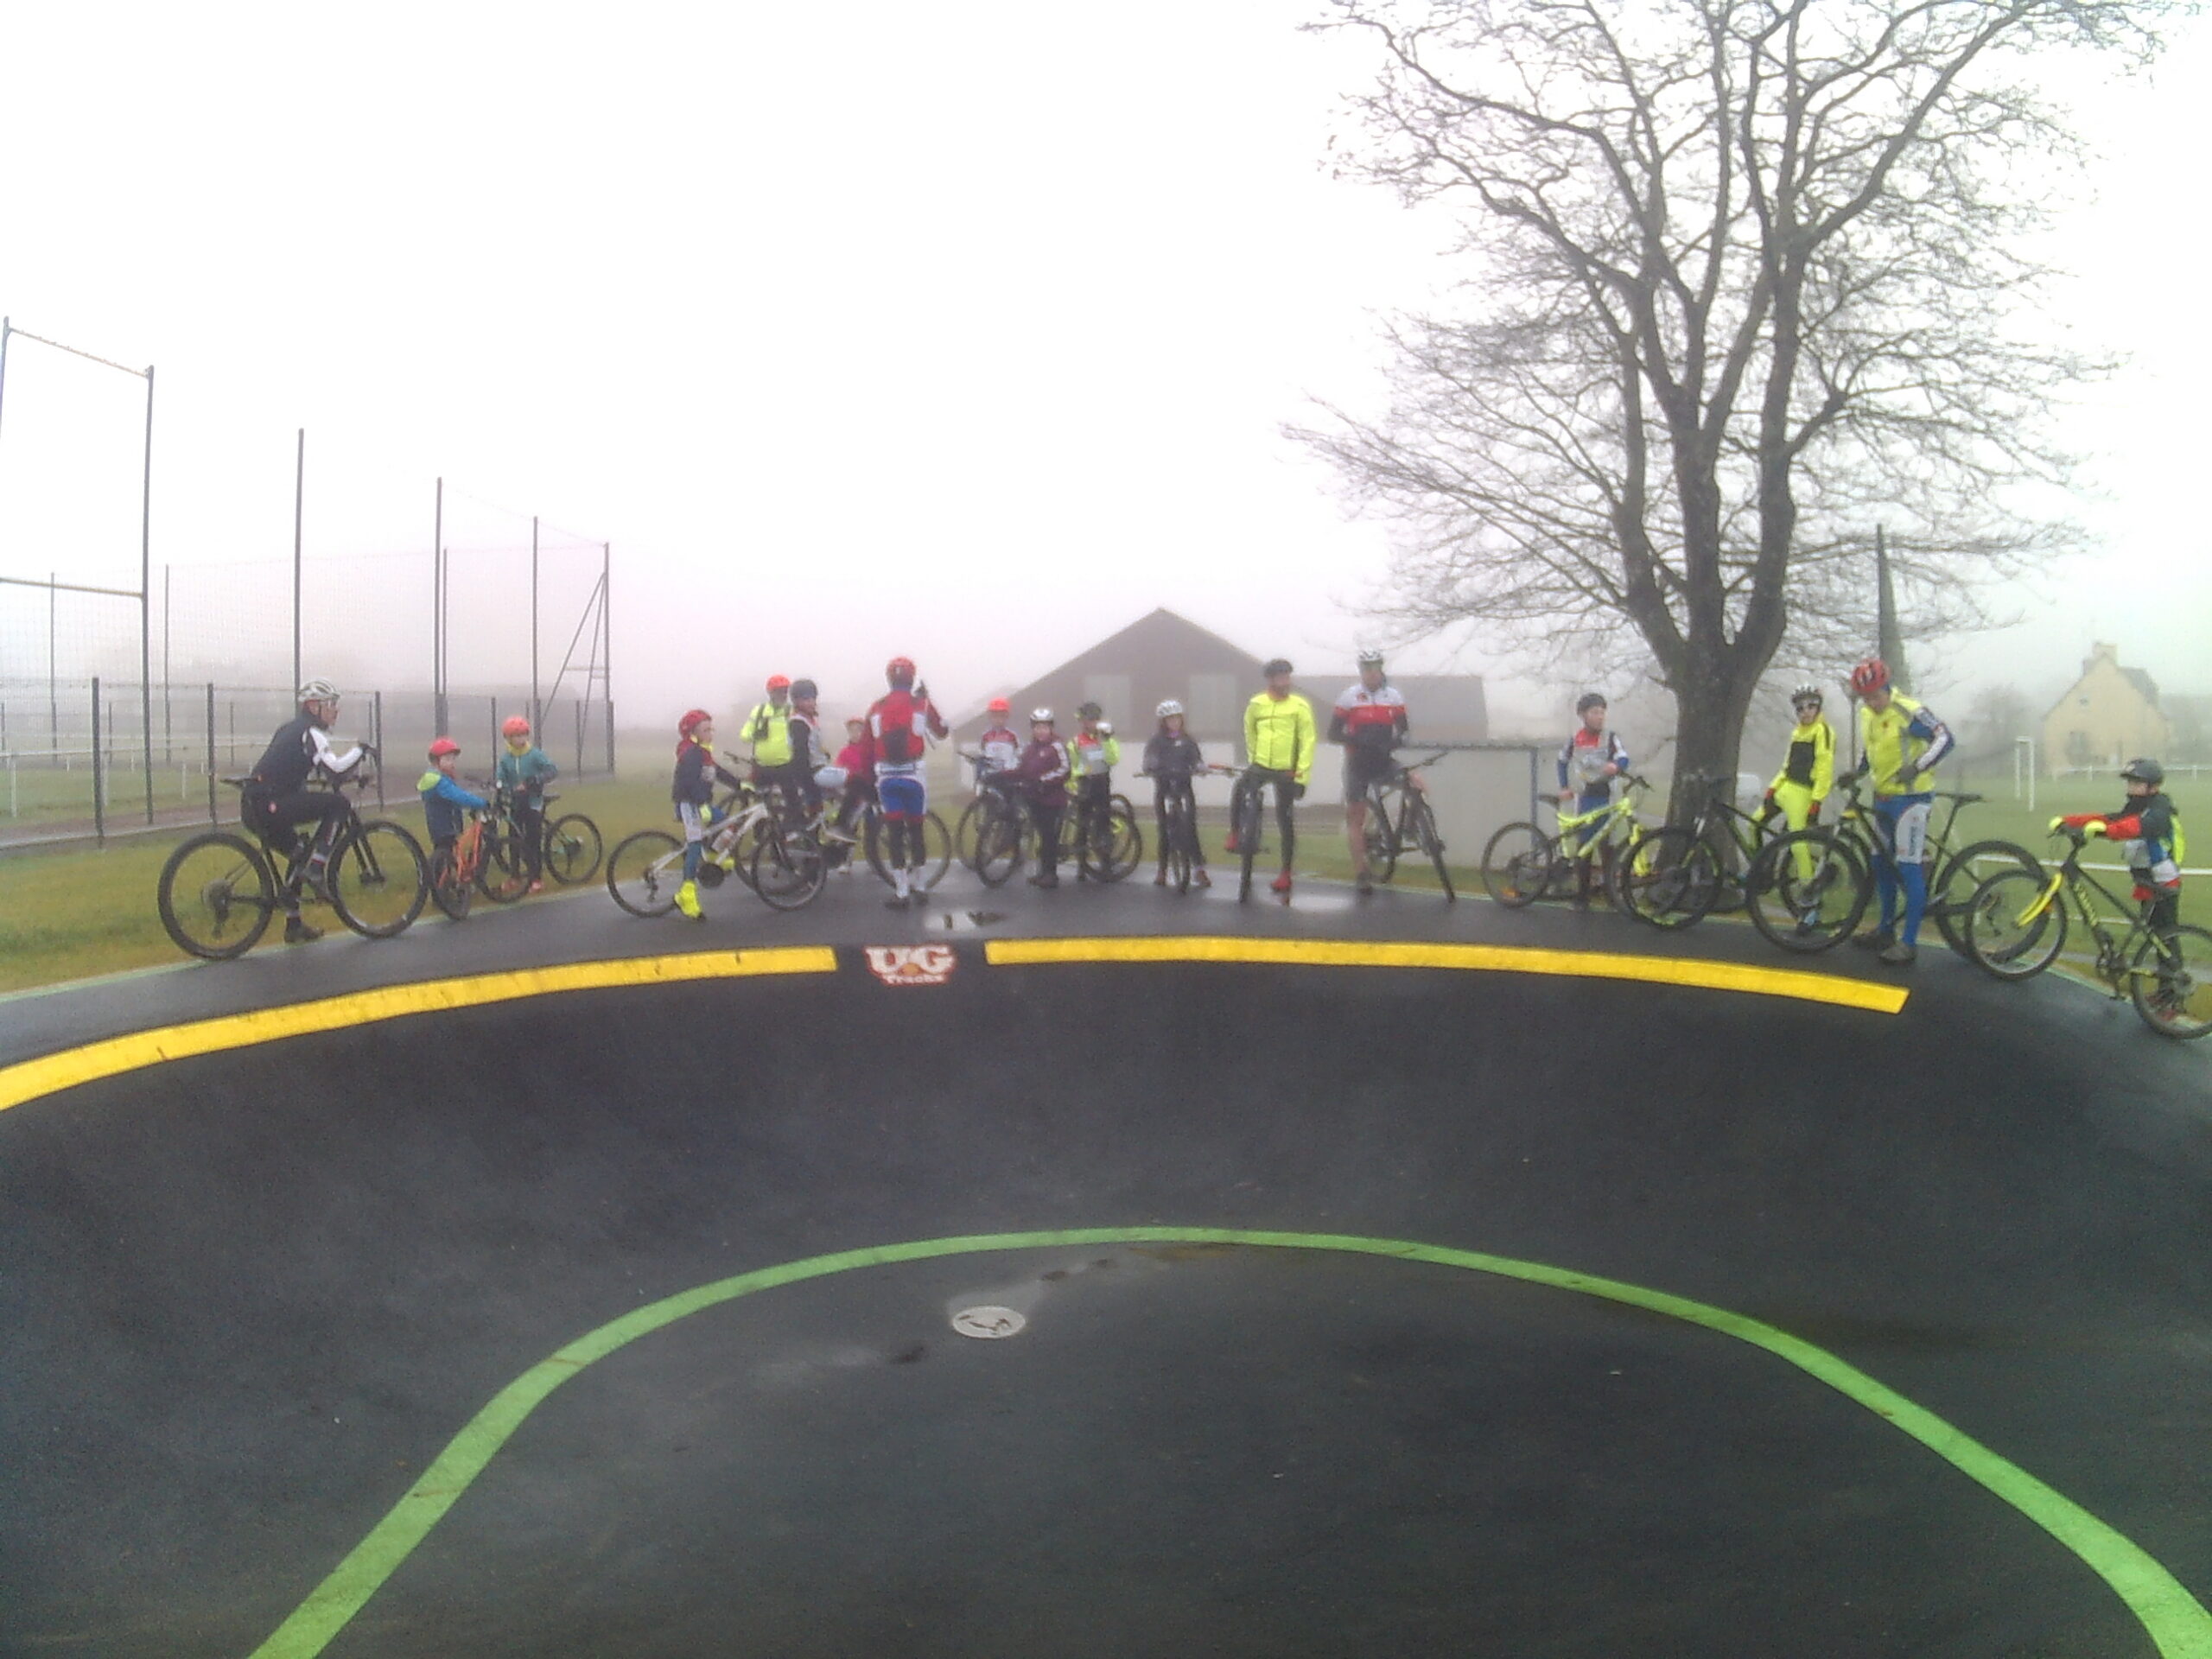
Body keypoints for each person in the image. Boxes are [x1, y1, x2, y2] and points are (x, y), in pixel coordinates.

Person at [241, 677, 367, 944]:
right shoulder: (311, 732)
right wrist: (360, 751)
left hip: (256, 804)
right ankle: (317, 869)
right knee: (339, 805)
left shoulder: (291, 729)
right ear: (313, 706)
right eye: (330, 704)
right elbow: (335, 770)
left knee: (301, 853)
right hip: (270, 804)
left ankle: (294, 925)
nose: (335, 710)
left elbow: (291, 769)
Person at [1847, 657, 1954, 965]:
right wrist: (1858, 772)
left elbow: (1945, 738)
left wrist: (1918, 766)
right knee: (1880, 864)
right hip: (1882, 797)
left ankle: (1909, 943)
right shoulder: (1866, 713)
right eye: (1866, 698)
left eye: (1875, 696)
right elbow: (1873, 748)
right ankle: (1885, 930)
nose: (1871, 703)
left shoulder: (1909, 709)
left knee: (1908, 866)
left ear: (1887, 688)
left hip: (1911, 798)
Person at [2056, 758, 2185, 1001]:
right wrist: (2072, 821)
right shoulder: (2137, 805)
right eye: (2130, 782)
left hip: (2162, 882)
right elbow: (2112, 820)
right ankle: (2164, 991)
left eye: (2136, 783)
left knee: (2164, 938)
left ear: (2152, 786)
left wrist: (2107, 831)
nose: (2130, 787)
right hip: (2147, 880)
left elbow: (2138, 827)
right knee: (2154, 934)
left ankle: (2172, 996)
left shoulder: (2160, 808)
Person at [1332, 647, 1419, 895]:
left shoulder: (1393, 696)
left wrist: (1397, 741)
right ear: (1361, 671)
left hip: (1383, 760)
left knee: (1416, 782)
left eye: (1376, 668)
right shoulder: (1349, 697)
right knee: (1356, 818)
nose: (1372, 673)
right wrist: (1358, 740)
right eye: (1367, 669)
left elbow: (1404, 730)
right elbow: (1333, 733)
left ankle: (1412, 826)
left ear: (1381, 670)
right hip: (1357, 763)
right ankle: (1361, 873)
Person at [867, 656, 949, 909]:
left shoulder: (876, 707)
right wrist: (926, 700)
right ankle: (921, 887)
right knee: (916, 831)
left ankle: (901, 891)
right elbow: (942, 731)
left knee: (894, 833)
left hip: (887, 777)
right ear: (912, 678)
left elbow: (868, 742)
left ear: (889, 679)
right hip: (914, 776)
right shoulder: (921, 703)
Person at [1236, 658, 1316, 895]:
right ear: (1270, 680)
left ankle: (1285, 873)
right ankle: (1235, 833)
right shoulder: (1257, 703)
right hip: (1261, 764)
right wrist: (1253, 758)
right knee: (1240, 787)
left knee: (1285, 818)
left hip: (1286, 770)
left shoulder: (1299, 706)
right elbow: (1249, 731)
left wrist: (1301, 777)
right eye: (1280, 677)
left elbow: (1307, 742)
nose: (1285, 681)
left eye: (1287, 677)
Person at [671, 709, 745, 921]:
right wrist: (701, 804)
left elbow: (717, 772)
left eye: (711, 729)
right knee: (694, 844)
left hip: (700, 803)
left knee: (728, 824)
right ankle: (686, 893)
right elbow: (688, 782)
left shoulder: (703, 753)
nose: (711, 733)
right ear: (693, 733)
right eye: (706, 730)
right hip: (689, 803)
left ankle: (713, 856)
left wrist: (740, 784)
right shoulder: (692, 754)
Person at [1557, 692, 1629, 906]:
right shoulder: (1575, 739)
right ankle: (1582, 895)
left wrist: (1616, 765)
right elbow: (1561, 761)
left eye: (1602, 712)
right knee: (1585, 847)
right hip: (1585, 798)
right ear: (1583, 715)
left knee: (1608, 848)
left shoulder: (1610, 737)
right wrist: (1564, 787)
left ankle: (1611, 895)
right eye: (1595, 712)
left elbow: (1624, 757)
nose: (1600, 717)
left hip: (1607, 798)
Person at [1762, 683, 1835, 881]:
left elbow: (1824, 769)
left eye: (1811, 706)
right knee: (1754, 825)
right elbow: (1787, 765)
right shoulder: (1797, 732)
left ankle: (1808, 885)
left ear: (1818, 707)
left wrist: (1817, 800)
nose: (1805, 712)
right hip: (1785, 788)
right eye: (1800, 708)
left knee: (1797, 841)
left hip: (1803, 792)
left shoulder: (1822, 731)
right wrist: (1772, 789)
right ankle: (1761, 871)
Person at [1143, 699, 1212, 887]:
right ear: (1163, 722)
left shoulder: (1188, 740)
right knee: (1164, 829)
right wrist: (1150, 766)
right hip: (1164, 789)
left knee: (1190, 828)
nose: (1174, 722)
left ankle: (1199, 869)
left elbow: (1196, 759)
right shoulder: (1157, 741)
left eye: (1177, 718)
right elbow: (1149, 759)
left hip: (1183, 788)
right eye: (1169, 719)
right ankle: (1162, 870)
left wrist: (1200, 767)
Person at [1003, 708, 1072, 887]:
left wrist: (1043, 780)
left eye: (1044, 727)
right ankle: (1042, 872)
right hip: (1035, 798)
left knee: (1049, 837)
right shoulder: (1030, 748)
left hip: (1053, 800)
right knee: (1042, 835)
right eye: (1037, 727)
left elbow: (1065, 769)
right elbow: (1022, 769)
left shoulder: (1057, 746)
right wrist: (1004, 775)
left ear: (1050, 728)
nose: (1041, 731)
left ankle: (1051, 875)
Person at [494, 714, 559, 893]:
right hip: (515, 804)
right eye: (516, 736)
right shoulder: (506, 758)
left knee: (533, 840)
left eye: (523, 735)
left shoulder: (534, 754)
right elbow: (501, 776)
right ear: (508, 738)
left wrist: (535, 780)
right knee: (514, 840)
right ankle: (515, 877)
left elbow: (552, 770)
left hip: (533, 803)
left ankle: (536, 878)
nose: (520, 739)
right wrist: (500, 785)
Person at [1068, 702, 1122, 880]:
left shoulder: (1107, 739)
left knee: (1103, 823)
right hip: (1084, 783)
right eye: (1085, 720)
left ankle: (1106, 863)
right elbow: (1073, 766)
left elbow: (1113, 759)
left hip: (1101, 782)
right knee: (1082, 825)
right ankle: (1082, 865)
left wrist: (1105, 741)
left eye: (1092, 720)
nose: (1089, 724)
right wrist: (1074, 784)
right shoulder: (1075, 742)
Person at [745, 675, 808, 817]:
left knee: (792, 803)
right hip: (763, 766)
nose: (783, 695)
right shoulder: (760, 711)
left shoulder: (791, 712)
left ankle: (791, 828)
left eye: (785, 691)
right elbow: (745, 735)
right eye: (779, 691)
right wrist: (757, 733)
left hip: (784, 765)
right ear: (771, 693)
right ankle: (762, 831)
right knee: (762, 807)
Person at [419, 737, 489, 861]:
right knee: (445, 854)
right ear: (436, 762)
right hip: (446, 826)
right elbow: (458, 796)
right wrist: (481, 803)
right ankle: (438, 872)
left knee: (445, 853)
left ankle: (439, 871)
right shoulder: (439, 781)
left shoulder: (435, 778)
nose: (452, 762)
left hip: (438, 825)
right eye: (447, 759)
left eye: (453, 759)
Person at [830, 715, 874, 849]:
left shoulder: (870, 750)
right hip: (853, 792)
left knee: (871, 826)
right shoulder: (845, 752)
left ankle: (871, 854)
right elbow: (839, 771)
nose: (856, 734)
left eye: (859, 730)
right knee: (851, 825)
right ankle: (844, 857)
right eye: (852, 730)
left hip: (868, 790)